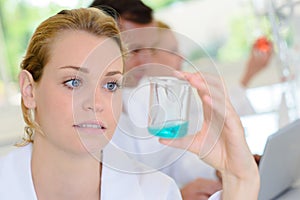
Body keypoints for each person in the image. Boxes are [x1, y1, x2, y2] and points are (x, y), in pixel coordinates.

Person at [0, 7, 260, 200]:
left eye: (111, 84)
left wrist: (239, 178)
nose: (96, 103)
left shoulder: (155, 192)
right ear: (29, 90)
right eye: (74, 82)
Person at [89, 1, 223, 199]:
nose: (146, 62)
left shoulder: (140, 97)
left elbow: (170, 158)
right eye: (134, 50)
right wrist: (178, 195)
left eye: (150, 50)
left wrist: (218, 168)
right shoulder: (82, 119)